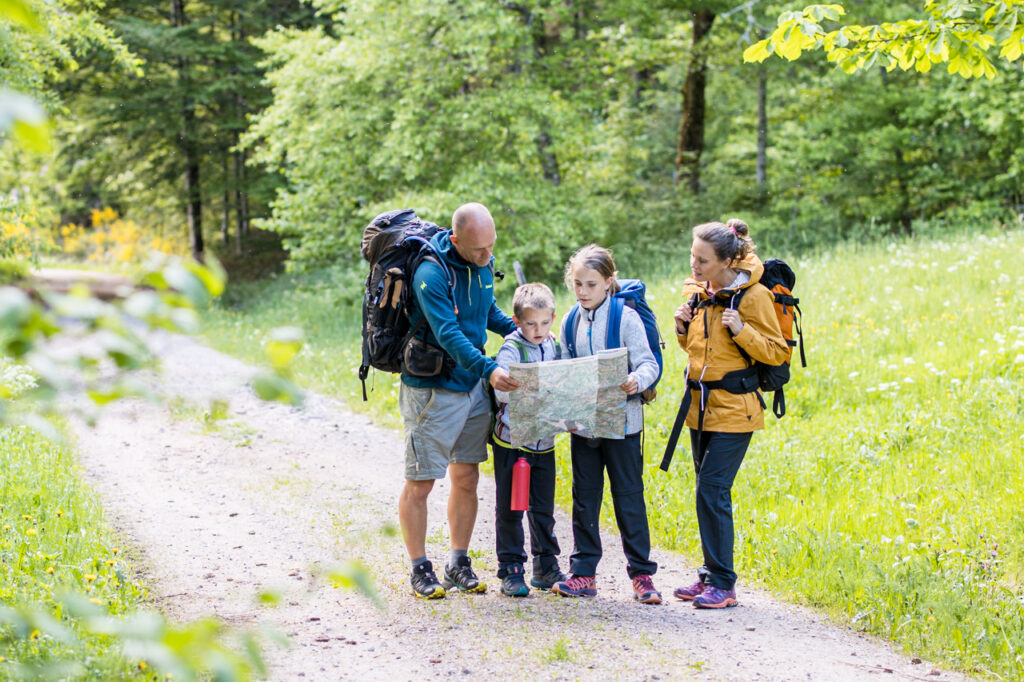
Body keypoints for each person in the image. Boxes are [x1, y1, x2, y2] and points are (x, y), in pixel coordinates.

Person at [399, 202, 520, 599]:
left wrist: (521, 329)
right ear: (455, 240)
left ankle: (458, 561)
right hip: (433, 389)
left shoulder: (482, 262)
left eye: (492, 247)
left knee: (466, 477)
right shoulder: (430, 273)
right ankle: (419, 567)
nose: (488, 257)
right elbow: (449, 333)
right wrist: (489, 369)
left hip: (472, 387)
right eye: (479, 250)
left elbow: (486, 311)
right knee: (422, 481)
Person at [672, 218, 787, 609]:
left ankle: (724, 582)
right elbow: (697, 351)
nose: (695, 266)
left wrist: (741, 330)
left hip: (736, 408)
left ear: (726, 261)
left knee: (712, 489)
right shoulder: (697, 293)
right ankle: (709, 575)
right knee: (706, 490)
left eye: (703, 261)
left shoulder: (752, 297)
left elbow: (776, 352)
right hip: (700, 407)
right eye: (692, 257)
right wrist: (682, 328)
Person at [551, 244, 663, 605]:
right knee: (584, 499)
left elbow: (649, 363)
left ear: (609, 282)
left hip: (623, 426)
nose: (583, 292)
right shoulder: (570, 321)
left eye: (591, 284)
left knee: (628, 497)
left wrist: (637, 380)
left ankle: (642, 575)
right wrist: (566, 413)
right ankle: (584, 573)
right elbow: (568, 372)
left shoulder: (625, 318)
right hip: (584, 428)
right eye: (578, 284)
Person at [490, 282, 568, 597]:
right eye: (530, 323)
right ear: (517, 320)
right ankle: (511, 568)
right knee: (512, 508)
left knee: (542, 507)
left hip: (544, 442)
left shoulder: (553, 346)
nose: (538, 330)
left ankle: (545, 565)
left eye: (545, 323)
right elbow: (499, 390)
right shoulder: (512, 349)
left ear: (552, 318)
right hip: (513, 443)